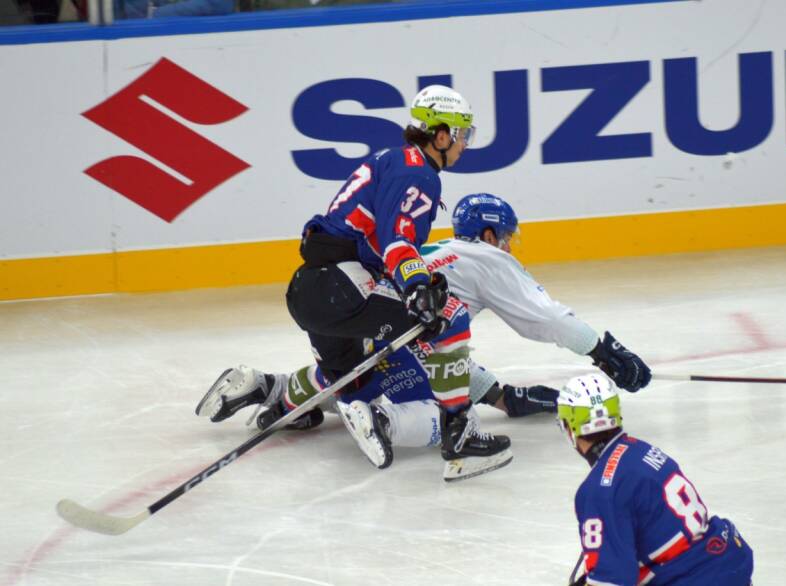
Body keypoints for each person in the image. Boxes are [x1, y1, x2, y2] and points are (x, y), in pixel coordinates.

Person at [196, 193, 651, 473]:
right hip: (401, 344)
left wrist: (501, 395)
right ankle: (380, 420)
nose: (509, 245)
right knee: (455, 418)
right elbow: (546, 318)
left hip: (362, 325)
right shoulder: (489, 260)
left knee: (348, 373)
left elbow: (440, 355)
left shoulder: (430, 253)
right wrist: (604, 351)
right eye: (506, 236)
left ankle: (268, 386)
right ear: (489, 234)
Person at [198, 85, 512, 482]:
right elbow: (397, 240)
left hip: (307, 291)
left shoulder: (390, 160)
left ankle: (268, 393)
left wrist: (411, 283)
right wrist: (417, 288)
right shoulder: (419, 172)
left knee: (352, 380)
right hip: (344, 287)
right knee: (450, 317)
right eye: (464, 134)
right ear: (442, 134)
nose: (465, 144)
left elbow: (376, 242)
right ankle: (460, 437)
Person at [557, 373, 753, 586]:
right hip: (725, 562)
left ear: (569, 427)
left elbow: (612, 580)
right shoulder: (641, 450)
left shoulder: (599, 491)